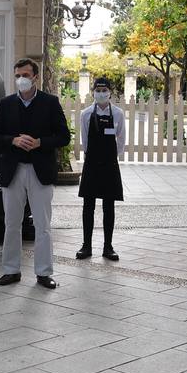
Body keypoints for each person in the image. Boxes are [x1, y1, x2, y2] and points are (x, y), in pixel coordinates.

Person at [0, 57, 70, 289]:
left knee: (42, 225)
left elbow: (64, 137)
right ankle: (11, 270)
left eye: (26, 75)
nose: (21, 79)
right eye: (18, 75)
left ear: (35, 77)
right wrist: (13, 140)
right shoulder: (6, 104)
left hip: (40, 171)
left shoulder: (50, 102)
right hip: (13, 170)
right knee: (11, 223)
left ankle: (44, 273)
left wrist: (40, 142)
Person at [76, 76, 125, 261]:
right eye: (98, 90)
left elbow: (121, 139)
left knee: (108, 206)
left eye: (105, 90)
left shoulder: (118, 114)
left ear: (110, 92)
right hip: (92, 163)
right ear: (93, 92)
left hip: (110, 164)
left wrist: (113, 157)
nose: (102, 93)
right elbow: (85, 140)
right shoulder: (86, 114)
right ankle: (86, 245)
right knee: (88, 206)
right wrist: (92, 156)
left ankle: (108, 247)